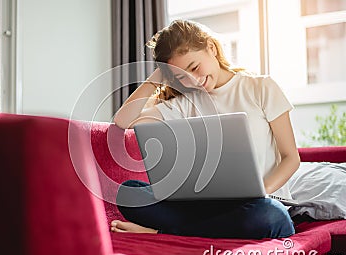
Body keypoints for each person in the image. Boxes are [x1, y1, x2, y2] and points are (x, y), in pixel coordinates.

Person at [110, 19, 300, 239]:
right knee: (128, 192)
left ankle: (162, 232)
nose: (195, 80)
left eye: (194, 67)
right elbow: (123, 121)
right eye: (182, 77)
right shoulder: (183, 103)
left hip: (258, 204)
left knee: (271, 217)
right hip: (204, 206)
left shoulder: (260, 87)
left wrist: (262, 190)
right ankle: (199, 228)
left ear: (211, 48)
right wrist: (156, 79)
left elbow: (291, 158)